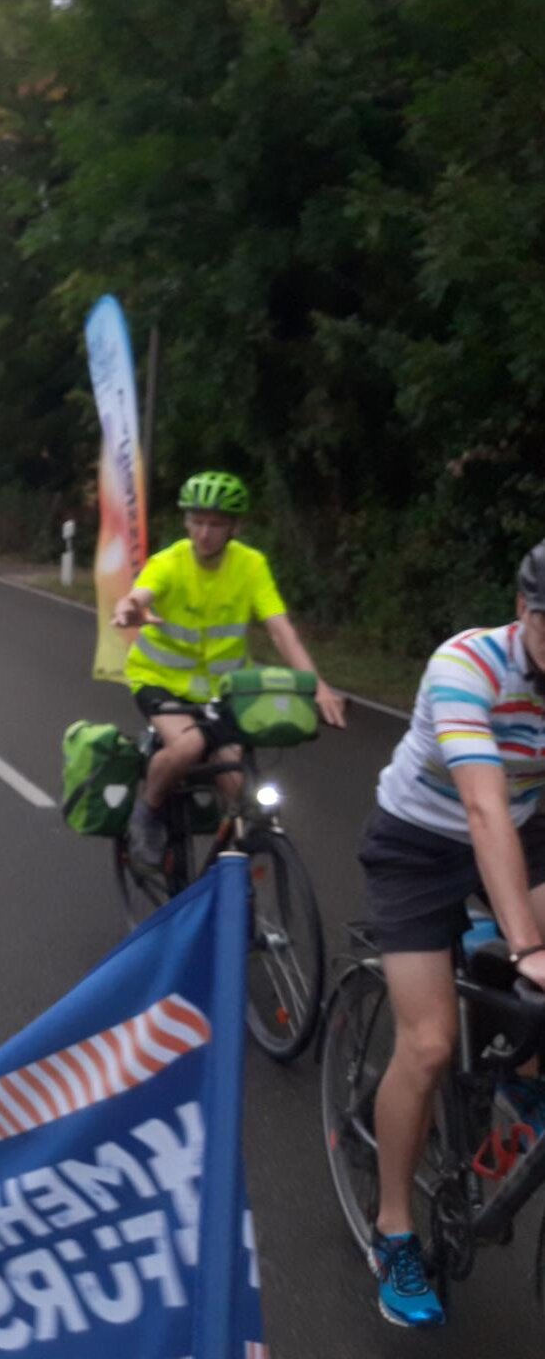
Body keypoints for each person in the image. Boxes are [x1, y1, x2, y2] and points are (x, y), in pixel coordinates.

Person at [352, 541, 545, 1329]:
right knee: (429, 1044)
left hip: (522, 831)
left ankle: (519, 1073)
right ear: (526, 612)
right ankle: (394, 1230)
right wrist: (527, 947)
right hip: (420, 844)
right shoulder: (467, 666)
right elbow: (481, 808)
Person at [110, 471, 346, 867]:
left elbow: (281, 631)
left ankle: (231, 867)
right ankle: (147, 812)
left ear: (235, 527)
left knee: (238, 785)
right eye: (197, 522)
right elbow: (139, 595)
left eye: (216, 524)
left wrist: (317, 686)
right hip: (160, 680)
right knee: (189, 746)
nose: (205, 533)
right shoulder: (168, 562)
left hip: (220, 689)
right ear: (186, 523)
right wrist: (129, 608)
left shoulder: (251, 565)